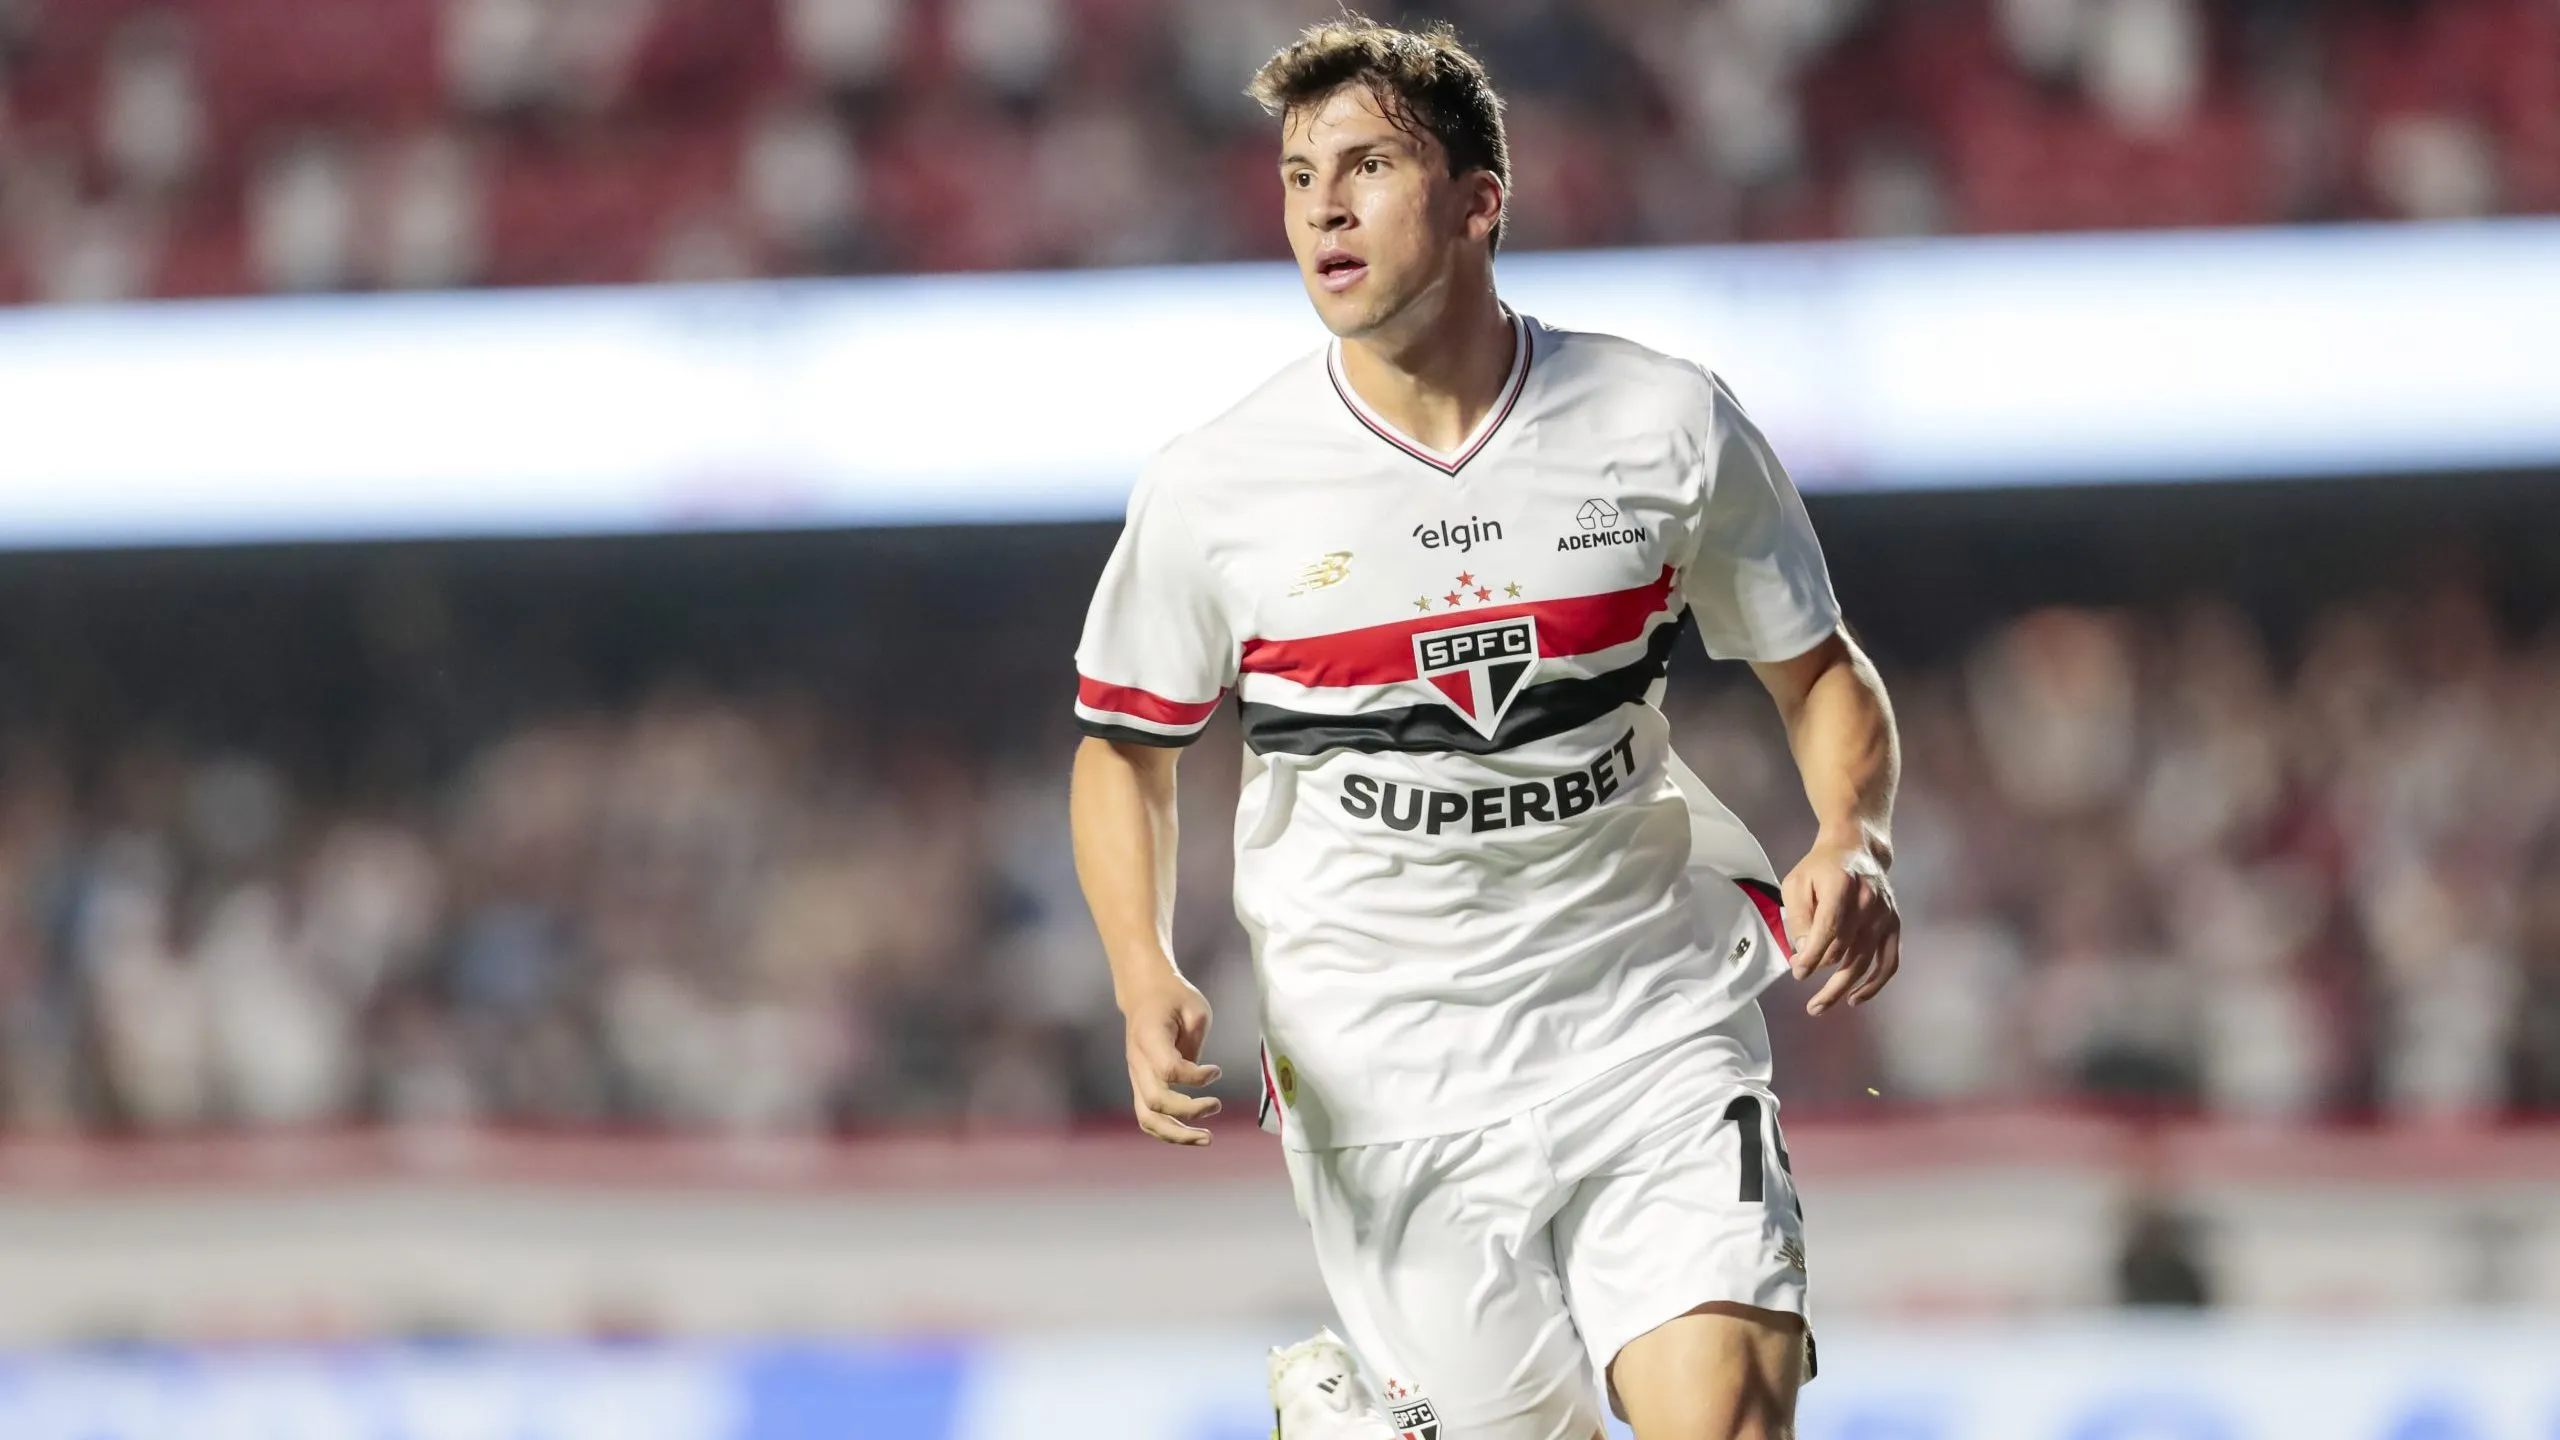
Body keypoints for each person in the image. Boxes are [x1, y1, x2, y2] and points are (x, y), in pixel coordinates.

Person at [1067, 17, 1901, 1440]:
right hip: (1385, 1070)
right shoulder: (1219, 486)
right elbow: (1126, 749)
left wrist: (1854, 834)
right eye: (1298, 177)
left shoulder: (1663, 421)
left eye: (1368, 166)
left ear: (1476, 201)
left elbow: (1819, 671)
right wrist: (1141, 969)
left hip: (1647, 1018)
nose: (1323, 208)